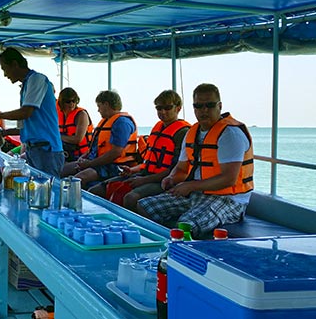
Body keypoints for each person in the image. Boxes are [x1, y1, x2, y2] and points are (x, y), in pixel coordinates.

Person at [137, 83, 254, 239]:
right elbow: (182, 168)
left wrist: (190, 185)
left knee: (186, 224)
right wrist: (171, 178)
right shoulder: (192, 132)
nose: (203, 110)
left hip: (228, 200)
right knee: (145, 206)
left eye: (209, 105)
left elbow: (229, 179)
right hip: (197, 194)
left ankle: (182, 258)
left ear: (219, 106)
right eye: (198, 106)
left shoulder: (230, 134)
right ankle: (161, 246)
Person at [101, 90, 191, 210]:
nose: (163, 112)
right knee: (102, 188)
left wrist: (144, 180)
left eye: (168, 108)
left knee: (130, 197)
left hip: (165, 181)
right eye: (159, 108)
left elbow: (176, 170)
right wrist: (132, 170)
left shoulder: (182, 133)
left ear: (178, 108)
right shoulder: (157, 129)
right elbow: (148, 162)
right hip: (145, 174)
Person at [0, 47, 64, 177]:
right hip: (33, 150)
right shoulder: (26, 86)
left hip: (47, 151)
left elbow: (26, 112)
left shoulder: (37, 79)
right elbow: (23, 128)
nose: (5, 74)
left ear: (14, 64)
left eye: (4, 69)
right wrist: (3, 133)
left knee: (49, 193)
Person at [61, 90, 139, 189]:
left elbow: (116, 152)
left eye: (99, 106)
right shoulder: (105, 121)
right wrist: (84, 157)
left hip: (114, 166)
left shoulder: (122, 123)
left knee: (77, 180)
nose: (98, 110)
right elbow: (95, 148)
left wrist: (89, 164)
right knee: (61, 170)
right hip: (97, 162)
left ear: (106, 104)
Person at [57, 87, 93, 162]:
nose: (71, 104)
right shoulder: (57, 115)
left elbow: (78, 139)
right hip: (64, 154)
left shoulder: (81, 115)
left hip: (81, 157)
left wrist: (57, 137)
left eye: (74, 101)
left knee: (62, 171)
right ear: (62, 102)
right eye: (68, 101)